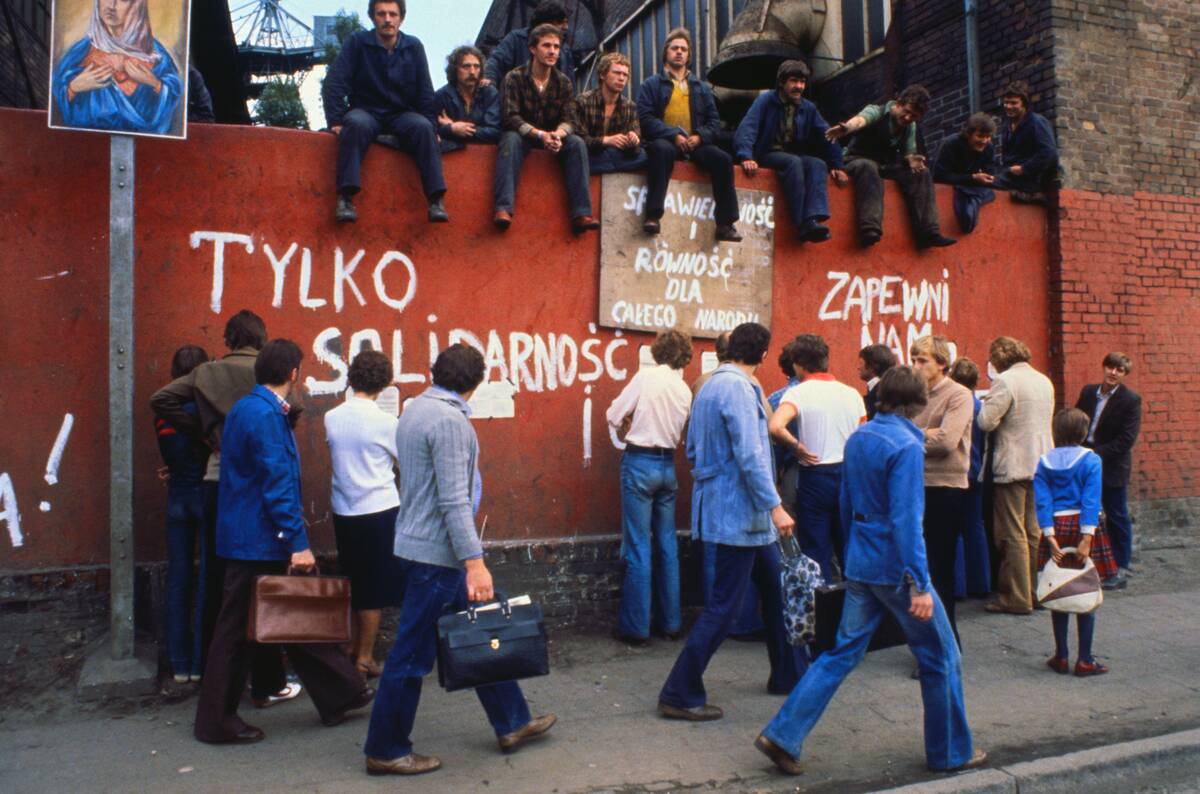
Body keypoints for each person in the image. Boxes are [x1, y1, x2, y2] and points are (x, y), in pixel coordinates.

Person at [754, 367, 986, 776]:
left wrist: (851, 554)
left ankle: (783, 733)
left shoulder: (860, 437)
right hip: (897, 570)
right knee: (942, 657)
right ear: (916, 404)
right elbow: (906, 520)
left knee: (840, 653)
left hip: (862, 562)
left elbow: (846, 499)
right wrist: (918, 582)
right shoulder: (906, 446)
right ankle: (949, 752)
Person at [364, 344, 556, 775]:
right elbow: (453, 499)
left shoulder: (415, 409)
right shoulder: (451, 422)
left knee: (480, 627)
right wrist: (475, 561)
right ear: (475, 383)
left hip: (419, 545)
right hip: (438, 557)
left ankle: (513, 721)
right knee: (410, 656)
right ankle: (386, 748)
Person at [194, 340, 373, 744]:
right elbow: (277, 484)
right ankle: (215, 722)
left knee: (292, 612)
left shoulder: (248, 408)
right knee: (238, 630)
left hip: (251, 536)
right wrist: (297, 541)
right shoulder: (264, 415)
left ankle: (342, 693)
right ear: (293, 373)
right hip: (259, 538)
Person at [657, 323, 806, 721]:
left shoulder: (708, 386)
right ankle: (679, 691)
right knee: (723, 607)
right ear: (761, 354)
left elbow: (690, 447)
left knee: (776, 589)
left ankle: (790, 674)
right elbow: (751, 454)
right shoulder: (741, 389)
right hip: (743, 514)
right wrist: (775, 505)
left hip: (733, 511)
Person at [150, 310, 297, 708]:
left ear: (229, 338)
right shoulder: (269, 374)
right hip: (256, 488)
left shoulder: (209, 373)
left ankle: (206, 672)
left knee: (218, 582)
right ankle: (261, 678)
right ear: (262, 338)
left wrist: (204, 433)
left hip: (215, 481)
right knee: (262, 585)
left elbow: (161, 399)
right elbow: (292, 412)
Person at [323, 0, 448, 225]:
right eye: (381, 14)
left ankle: (435, 200)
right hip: (366, 111)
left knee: (423, 127)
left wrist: (433, 126)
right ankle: (346, 198)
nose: (387, 19)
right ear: (372, 17)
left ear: (401, 18)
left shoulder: (414, 46)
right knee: (355, 124)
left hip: (401, 114)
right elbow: (334, 83)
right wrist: (335, 119)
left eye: (393, 14)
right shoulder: (357, 43)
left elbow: (425, 91)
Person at [605, 330, 693, 645]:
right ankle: (670, 624)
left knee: (638, 544)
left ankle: (636, 627)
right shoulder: (684, 389)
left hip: (640, 462)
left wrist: (627, 423)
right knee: (667, 544)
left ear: (657, 351)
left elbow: (614, 414)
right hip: (667, 466)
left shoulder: (645, 378)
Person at [324, 351, 402, 678]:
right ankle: (365, 658)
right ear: (383, 383)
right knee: (374, 588)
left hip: (344, 510)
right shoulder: (388, 423)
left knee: (355, 581)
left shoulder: (332, 416)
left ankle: (355, 647)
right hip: (379, 510)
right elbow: (404, 463)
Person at [768, 334, 866, 582]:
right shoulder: (852, 393)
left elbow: (775, 426)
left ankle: (822, 610)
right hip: (847, 473)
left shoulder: (798, 393)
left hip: (814, 474)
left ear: (798, 364)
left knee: (816, 549)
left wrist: (796, 447)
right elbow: (862, 436)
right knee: (847, 544)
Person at [637, 28, 742, 240]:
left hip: (696, 144)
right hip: (665, 141)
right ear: (666, 52)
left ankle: (725, 224)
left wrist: (700, 137)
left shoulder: (701, 88)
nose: (679, 52)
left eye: (684, 49)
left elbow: (714, 122)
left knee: (722, 159)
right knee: (660, 150)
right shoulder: (651, 84)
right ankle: (653, 216)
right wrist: (673, 134)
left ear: (689, 55)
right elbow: (646, 119)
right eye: (674, 48)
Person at [1036, 408, 1117, 676]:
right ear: (1083, 433)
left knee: (1059, 587)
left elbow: (1042, 501)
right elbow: (1090, 501)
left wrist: (1049, 536)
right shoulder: (1091, 460)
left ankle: (1061, 656)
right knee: (1086, 588)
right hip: (1083, 526)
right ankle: (1085, 659)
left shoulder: (1044, 461)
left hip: (1056, 527)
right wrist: (1086, 538)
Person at [493, 23, 597, 233]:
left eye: (557, 47)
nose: (552, 51)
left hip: (553, 135)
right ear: (533, 48)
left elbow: (571, 119)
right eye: (546, 46)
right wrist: (540, 135)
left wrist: (557, 135)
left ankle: (582, 213)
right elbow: (510, 117)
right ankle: (503, 208)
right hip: (525, 134)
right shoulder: (514, 78)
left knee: (576, 143)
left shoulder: (564, 82)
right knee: (510, 139)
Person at [977, 336, 1054, 615]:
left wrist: (987, 404)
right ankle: (1033, 592)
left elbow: (986, 421)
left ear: (999, 357)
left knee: (1011, 533)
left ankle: (1016, 597)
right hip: (1041, 461)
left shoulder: (1006, 381)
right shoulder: (1043, 380)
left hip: (1013, 462)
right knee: (1032, 530)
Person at [825, 85, 956, 249]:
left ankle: (929, 231)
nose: (908, 118)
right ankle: (869, 229)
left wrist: (912, 160)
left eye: (914, 116)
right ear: (898, 103)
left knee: (922, 173)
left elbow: (909, 152)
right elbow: (861, 120)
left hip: (885, 165)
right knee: (868, 167)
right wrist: (847, 127)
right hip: (856, 159)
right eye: (906, 112)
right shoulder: (877, 111)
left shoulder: (910, 126)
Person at [735, 59, 848, 242]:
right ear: (782, 82)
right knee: (793, 162)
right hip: (768, 153)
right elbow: (748, 128)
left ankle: (813, 218)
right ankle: (801, 222)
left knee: (817, 164)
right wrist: (746, 155)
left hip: (794, 154)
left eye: (802, 82)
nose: (799, 86)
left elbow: (827, 135)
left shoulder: (808, 108)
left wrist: (838, 165)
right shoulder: (765, 101)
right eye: (794, 81)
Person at [910, 336, 974, 643]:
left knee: (939, 568)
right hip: (916, 484)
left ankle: (947, 642)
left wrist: (914, 436)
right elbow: (900, 431)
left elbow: (947, 442)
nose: (916, 366)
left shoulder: (958, 394)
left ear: (942, 364)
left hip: (946, 487)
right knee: (919, 567)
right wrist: (925, 434)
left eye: (922, 360)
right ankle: (926, 638)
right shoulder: (915, 395)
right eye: (913, 359)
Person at [155, 344, 210, 684]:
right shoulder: (206, 409)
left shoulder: (162, 411)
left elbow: (172, 453)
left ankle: (180, 664)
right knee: (207, 577)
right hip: (205, 494)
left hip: (177, 496)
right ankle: (203, 660)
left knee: (178, 579)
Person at [51, 0, 183, 135]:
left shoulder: (156, 54)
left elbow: (174, 94)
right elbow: (55, 98)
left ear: (137, 6)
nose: (111, 6)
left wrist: (154, 83)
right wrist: (74, 87)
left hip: (146, 147)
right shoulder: (81, 52)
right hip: (88, 143)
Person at [1075, 352, 1142, 590]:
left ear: (1124, 375)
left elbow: (1126, 439)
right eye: (1111, 367)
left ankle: (1121, 563)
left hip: (1111, 464)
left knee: (1116, 514)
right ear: (1103, 367)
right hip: (1085, 458)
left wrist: (1096, 454)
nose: (1113, 373)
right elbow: (1077, 421)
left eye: (1120, 370)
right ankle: (1091, 560)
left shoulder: (1130, 400)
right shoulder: (1088, 392)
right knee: (1086, 511)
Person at [948, 357, 991, 598]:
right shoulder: (981, 409)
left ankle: (958, 586)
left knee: (954, 529)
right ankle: (981, 583)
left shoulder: (955, 407)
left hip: (958, 471)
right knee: (975, 527)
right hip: (977, 471)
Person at [571, 52, 647, 175]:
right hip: (590, 153)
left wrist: (633, 139)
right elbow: (578, 140)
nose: (621, 78)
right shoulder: (583, 101)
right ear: (602, 74)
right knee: (579, 153)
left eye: (625, 75)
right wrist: (606, 140)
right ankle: (603, 167)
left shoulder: (630, 106)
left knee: (644, 155)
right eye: (616, 73)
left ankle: (595, 168)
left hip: (610, 156)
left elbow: (636, 148)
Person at [482, 1, 575, 86]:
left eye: (566, 22)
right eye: (560, 23)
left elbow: (570, 85)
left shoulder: (565, 51)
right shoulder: (516, 39)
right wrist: (489, 83)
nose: (566, 27)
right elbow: (495, 64)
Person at [993, 81, 1058, 204]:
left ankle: (1032, 195)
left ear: (1024, 104)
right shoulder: (1007, 127)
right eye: (1006, 102)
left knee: (987, 183)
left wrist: (1024, 168)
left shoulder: (1036, 122)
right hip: (1010, 176)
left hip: (1029, 180)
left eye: (1014, 103)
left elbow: (1049, 153)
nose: (1008, 106)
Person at [933, 112, 997, 233]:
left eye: (988, 137)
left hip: (972, 188)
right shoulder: (950, 144)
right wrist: (972, 177)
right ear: (968, 134)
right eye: (980, 136)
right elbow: (938, 176)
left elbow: (990, 173)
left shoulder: (989, 147)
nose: (984, 141)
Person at [435, 45, 501, 153]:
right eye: (466, 66)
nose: (472, 71)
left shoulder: (489, 93)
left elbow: (495, 132)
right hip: (452, 157)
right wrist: (451, 129)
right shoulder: (442, 96)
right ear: (455, 69)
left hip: (484, 156)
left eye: (477, 66)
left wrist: (458, 129)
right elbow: (433, 130)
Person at [858, 343, 897, 420]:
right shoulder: (893, 390)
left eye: (861, 363)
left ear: (871, 367)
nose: (858, 368)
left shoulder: (878, 395)